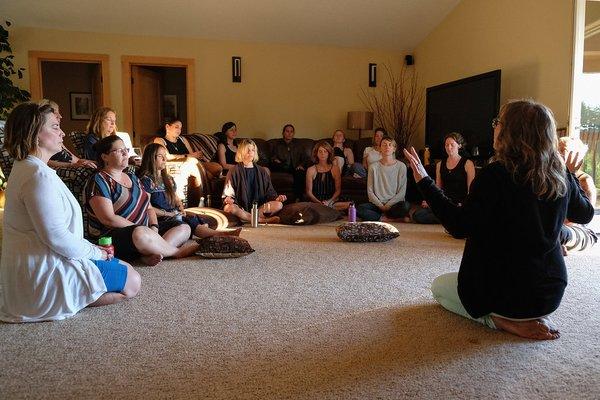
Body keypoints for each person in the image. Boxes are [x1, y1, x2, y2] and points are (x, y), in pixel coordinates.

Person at [403, 99, 594, 340]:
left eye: (498, 122)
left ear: (511, 132)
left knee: (439, 287)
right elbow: (586, 213)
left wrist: (424, 181)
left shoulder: (495, 175)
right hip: (550, 294)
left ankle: (500, 321)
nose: (494, 127)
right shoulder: (559, 173)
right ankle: (522, 317)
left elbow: (458, 226)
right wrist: (572, 174)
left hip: (504, 297)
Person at [0, 102, 140, 323]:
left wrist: (93, 250)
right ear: (35, 133)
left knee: (124, 268)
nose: (62, 132)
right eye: (55, 127)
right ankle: (71, 298)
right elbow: (57, 237)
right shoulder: (37, 177)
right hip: (41, 279)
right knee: (132, 281)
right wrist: (98, 253)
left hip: (32, 271)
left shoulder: (29, 167)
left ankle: (82, 288)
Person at [85, 135, 200, 266]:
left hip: (145, 229)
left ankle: (151, 252)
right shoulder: (99, 180)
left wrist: (154, 228)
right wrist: (142, 229)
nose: (125, 153)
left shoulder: (133, 177)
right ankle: (174, 252)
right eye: (118, 150)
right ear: (104, 156)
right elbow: (108, 219)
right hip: (114, 236)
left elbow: (149, 208)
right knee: (140, 233)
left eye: (125, 149)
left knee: (184, 227)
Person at [138, 143, 241, 238]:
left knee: (194, 220)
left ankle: (219, 235)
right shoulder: (145, 181)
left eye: (165, 155)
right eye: (160, 156)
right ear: (151, 158)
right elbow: (147, 208)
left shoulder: (168, 179)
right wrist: (168, 214)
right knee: (185, 224)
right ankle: (219, 235)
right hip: (159, 220)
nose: (165, 159)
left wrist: (181, 209)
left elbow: (176, 199)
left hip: (173, 215)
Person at [412, 132, 476, 225]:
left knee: (466, 213)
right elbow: (438, 187)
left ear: (459, 146)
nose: (449, 147)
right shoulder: (440, 164)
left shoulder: (468, 164)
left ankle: (449, 217)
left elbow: (471, 190)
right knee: (417, 215)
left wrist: (465, 204)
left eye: (452, 145)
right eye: (446, 145)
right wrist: (430, 201)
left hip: (459, 204)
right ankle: (450, 218)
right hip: (444, 203)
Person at [153, 117, 222, 203]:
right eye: (176, 127)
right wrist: (187, 156)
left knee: (217, 167)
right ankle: (205, 199)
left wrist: (196, 155)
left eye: (180, 128)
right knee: (207, 174)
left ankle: (210, 196)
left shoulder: (183, 139)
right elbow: (167, 156)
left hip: (192, 163)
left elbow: (192, 155)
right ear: (167, 127)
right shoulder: (160, 140)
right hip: (178, 165)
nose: (179, 130)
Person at [223, 139, 286, 223]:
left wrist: (277, 198)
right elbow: (228, 193)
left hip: (258, 209)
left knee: (279, 205)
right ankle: (261, 220)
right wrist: (229, 199)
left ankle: (246, 218)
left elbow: (270, 192)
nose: (251, 152)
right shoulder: (234, 170)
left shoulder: (262, 171)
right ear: (241, 152)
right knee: (229, 208)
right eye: (248, 150)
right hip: (240, 207)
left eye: (253, 150)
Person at [557, 136, 598, 252]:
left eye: (563, 152)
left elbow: (582, 217)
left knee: (559, 232)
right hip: (558, 226)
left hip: (579, 230)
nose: (559, 155)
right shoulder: (554, 177)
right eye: (557, 151)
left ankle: (557, 243)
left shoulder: (584, 181)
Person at [357, 137, 410, 221]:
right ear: (380, 148)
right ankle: (388, 219)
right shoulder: (373, 167)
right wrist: (380, 205)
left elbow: (402, 192)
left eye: (390, 145)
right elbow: (370, 191)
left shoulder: (401, 166)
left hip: (394, 204)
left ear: (394, 149)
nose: (387, 147)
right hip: (378, 205)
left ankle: (380, 216)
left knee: (406, 206)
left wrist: (388, 205)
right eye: (384, 145)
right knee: (359, 209)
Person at [39, 99, 97, 170]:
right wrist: (71, 165)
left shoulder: (57, 137)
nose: (60, 116)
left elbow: (76, 160)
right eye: (55, 113)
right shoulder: (43, 140)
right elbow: (43, 161)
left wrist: (92, 162)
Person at [305, 140, 350, 211]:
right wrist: (319, 202)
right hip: (316, 201)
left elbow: (338, 191)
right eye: (320, 151)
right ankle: (325, 209)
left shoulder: (335, 169)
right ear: (316, 153)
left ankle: (327, 208)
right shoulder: (311, 170)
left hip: (332, 201)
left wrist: (328, 202)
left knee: (350, 205)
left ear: (329, 153)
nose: (322, 154)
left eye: (325, 151)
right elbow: (309, 192)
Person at [270, 124, 311, 200]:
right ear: (283, 133)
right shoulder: (277, 144)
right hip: (281, 166)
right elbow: (273, 157)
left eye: (291, 132)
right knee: (274, 164)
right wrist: (275, 159)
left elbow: (305, 158)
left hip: (295, 167)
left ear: (293, 134)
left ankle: (298, 198)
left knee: (300, 173)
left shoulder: (298, 145)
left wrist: (301, 165)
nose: (289, 133)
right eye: (287, 131)